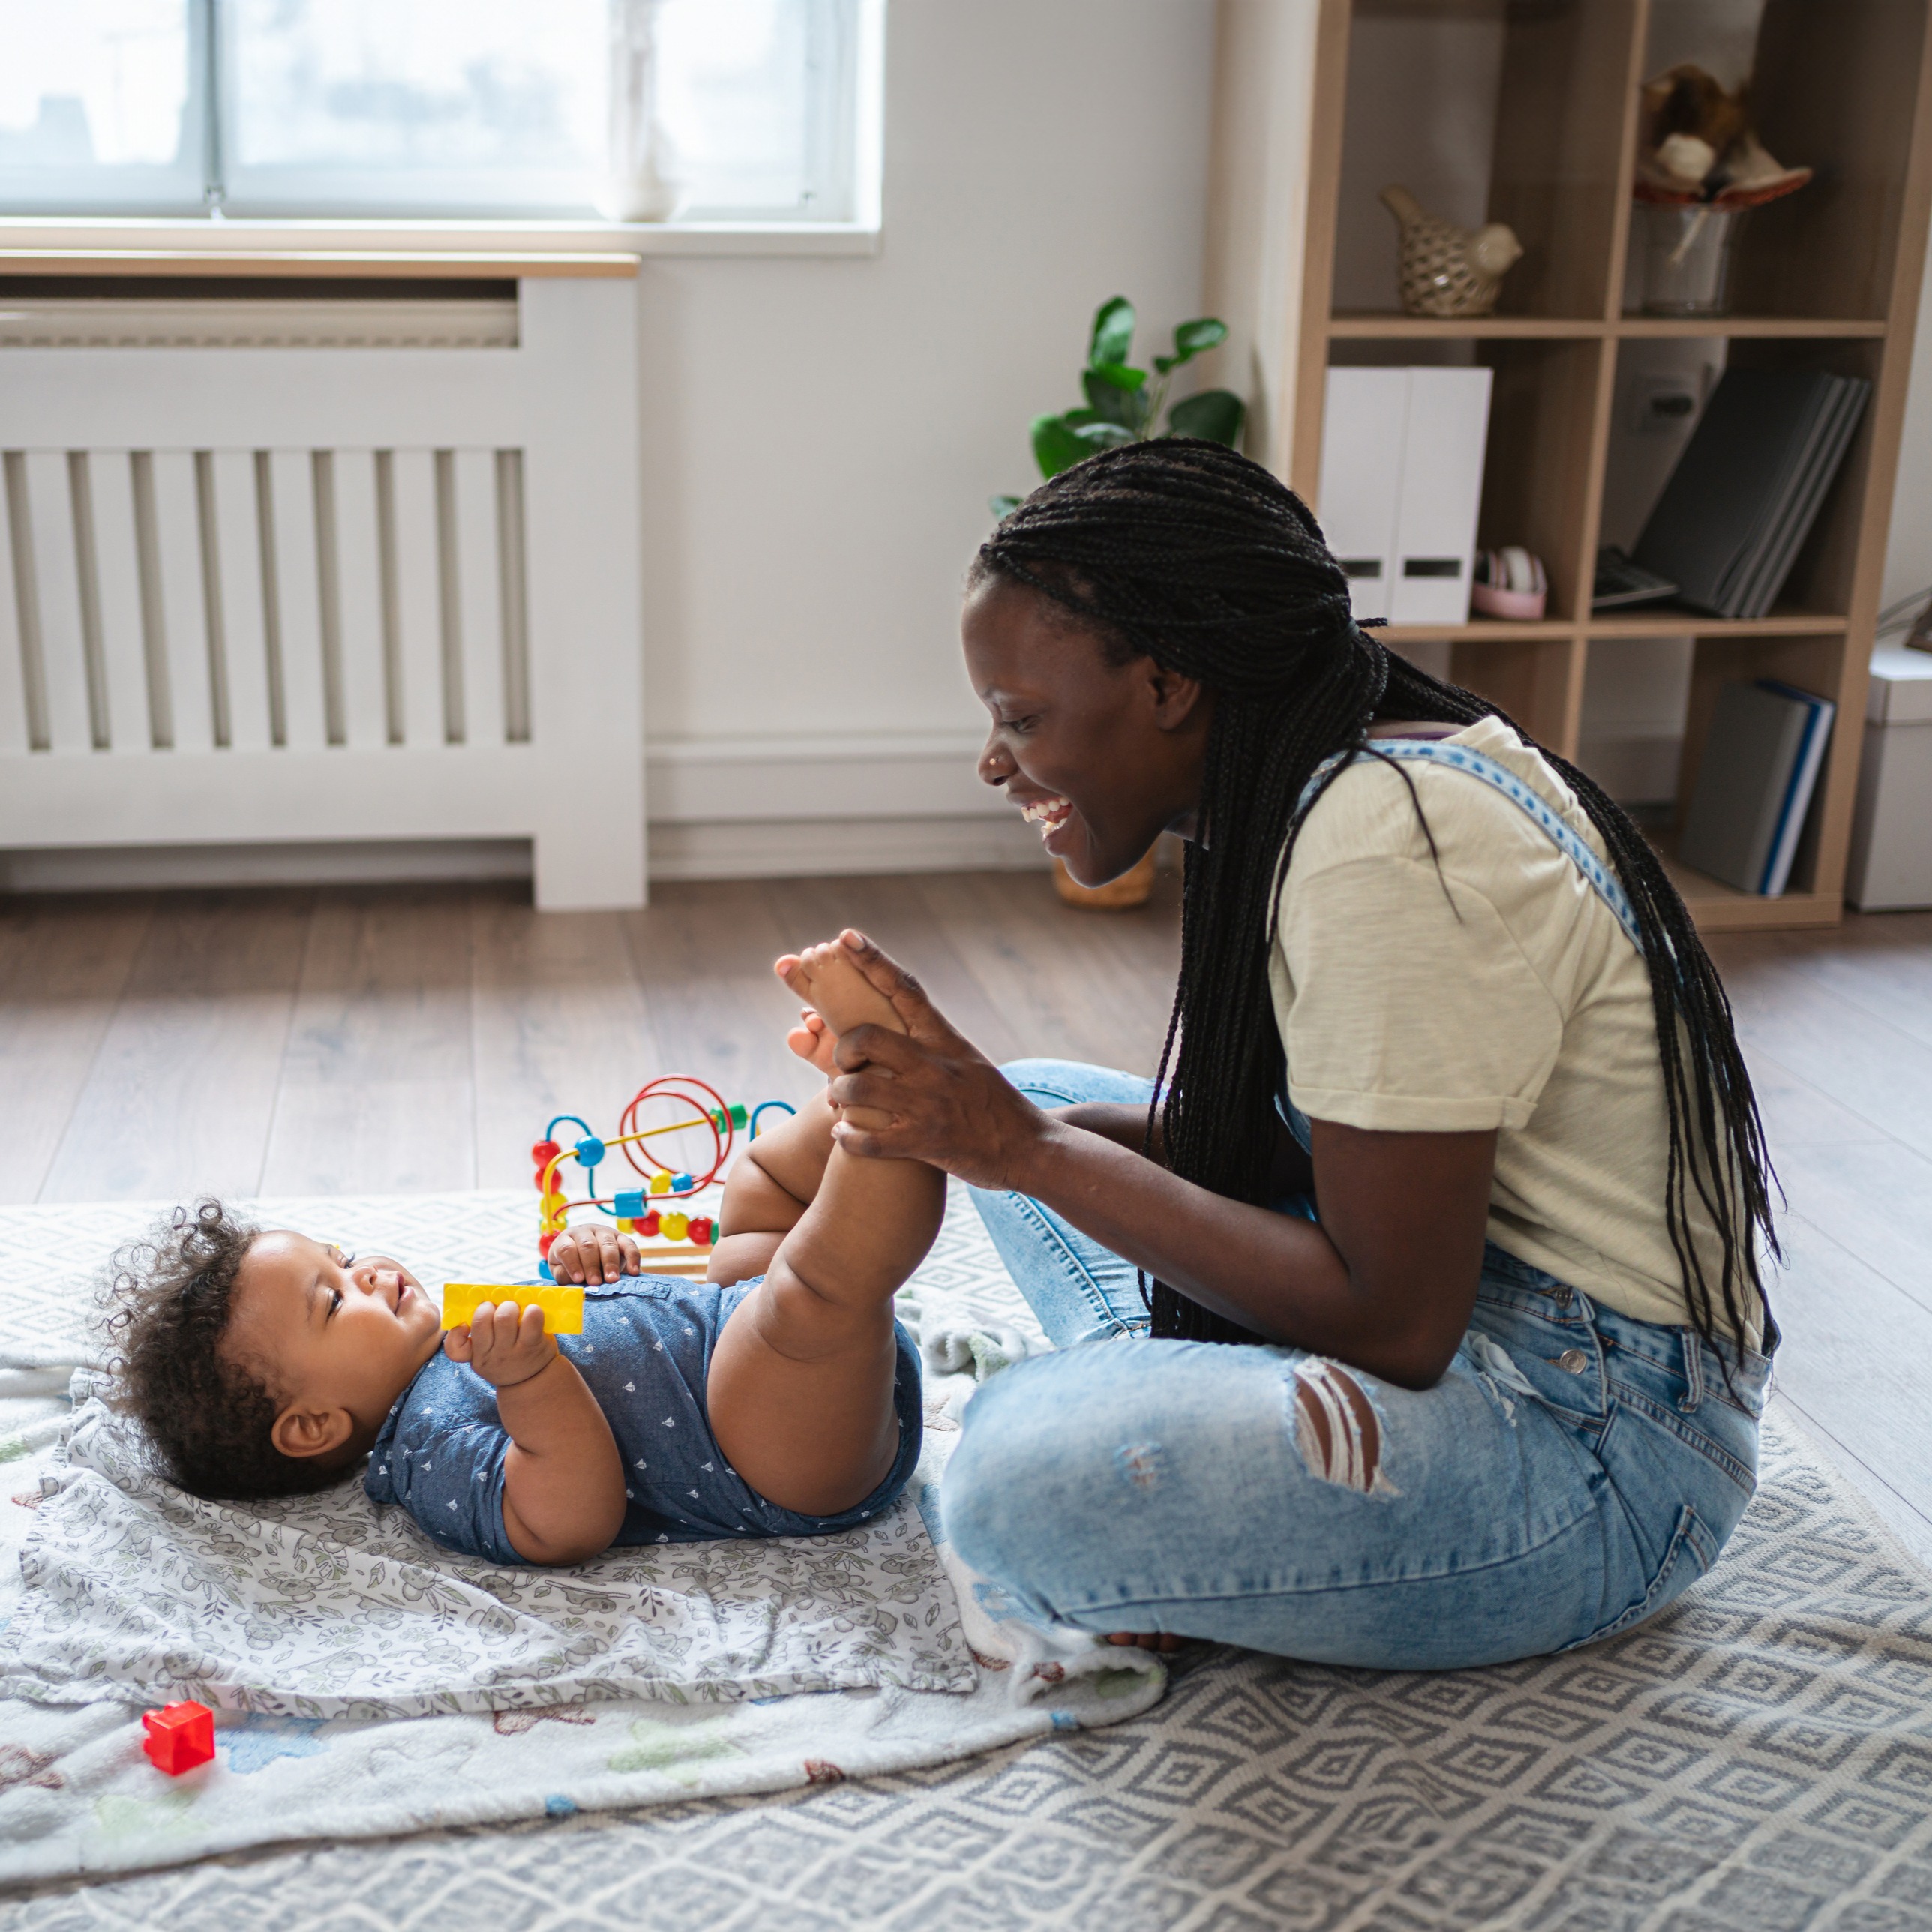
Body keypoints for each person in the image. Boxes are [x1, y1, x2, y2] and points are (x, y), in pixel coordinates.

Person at [803, 437, 1780, 1668]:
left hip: (1596, 1446)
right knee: (1039, 1092)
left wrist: (1019, 1149)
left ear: (1167, 687)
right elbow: (1283, 1141)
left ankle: (1157, 1442)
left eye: (1019, 716)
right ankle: (1184, 1434)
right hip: (1477, 1297)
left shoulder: (1387, 842)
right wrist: (991, 1116)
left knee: (1007, 1475)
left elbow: (1393, 1321)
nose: (996, 760)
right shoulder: (1312, 773)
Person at [100, 943, 941, 1565]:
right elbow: (570, 1519)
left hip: (733, 1328)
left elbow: (609, 1319)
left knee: (756, 1185)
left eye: (342, 1256)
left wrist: (592, 1263)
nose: (366, 1273)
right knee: (811, 1296)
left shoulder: (464, 1327)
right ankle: (893, 1105)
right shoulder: (425, 1448)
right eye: (332, 1300)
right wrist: (528, 1376)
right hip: (773, 1450)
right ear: (314, 1423)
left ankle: (848, 1092)